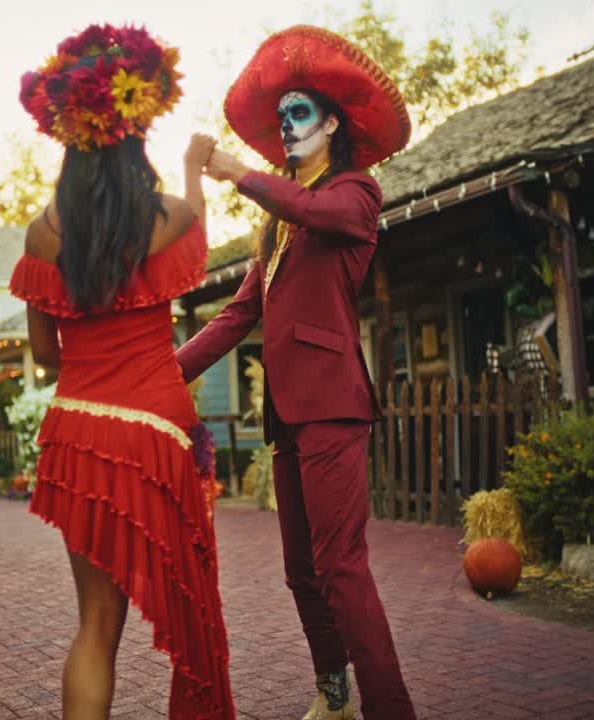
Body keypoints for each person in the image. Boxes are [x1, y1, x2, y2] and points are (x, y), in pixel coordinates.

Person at [177, 25, 418, 720]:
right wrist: (164, 375)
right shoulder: (277, 227)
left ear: (332, 121)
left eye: (300, 113)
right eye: (280, 117)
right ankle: (334, 692)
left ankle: (391, 709)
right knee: (300, 572)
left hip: (335, 405)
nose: (287, 126)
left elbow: (310, 205)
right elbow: (235, 315)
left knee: (342, 569)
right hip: (287, 410)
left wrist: (231, 169)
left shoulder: (356, 192)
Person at [9, 24, 235, 720]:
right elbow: (196, 220)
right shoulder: (166, 218)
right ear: (134, 131)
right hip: (156, 436)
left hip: (78, 436)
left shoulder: (41, 234)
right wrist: (196, 169)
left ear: (69, 139)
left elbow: (46, 356)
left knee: (95, 626)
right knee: (193, 618)